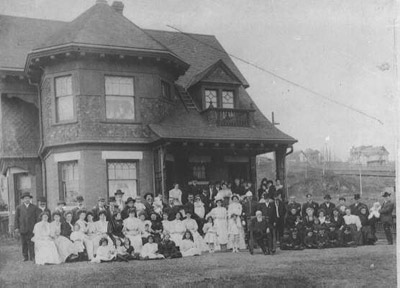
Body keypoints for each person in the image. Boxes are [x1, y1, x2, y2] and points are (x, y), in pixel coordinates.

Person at [14, 192, 39, 262]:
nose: (27, 200)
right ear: (23, 200)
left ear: (30, 199)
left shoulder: (34, 207)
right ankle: (25, 256)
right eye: (25, 198)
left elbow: (37, 218)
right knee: (24, 243)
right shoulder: (19, 207)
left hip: (32, 228)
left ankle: (32, 257)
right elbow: (16, 218)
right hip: (23, 228)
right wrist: (16, 227)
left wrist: (36, 227)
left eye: (28, 198)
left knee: (31, 243)